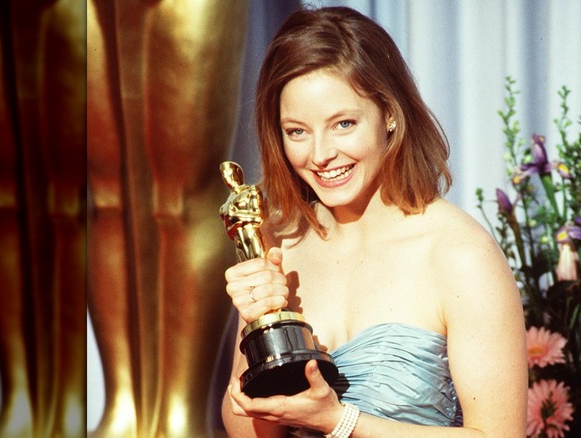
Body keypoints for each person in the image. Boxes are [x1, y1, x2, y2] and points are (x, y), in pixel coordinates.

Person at [221, 6, 527, 437]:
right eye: (297, 131)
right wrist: (258, 324)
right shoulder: (281, 242)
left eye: (343, 124)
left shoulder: (459, 254)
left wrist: (340, 421)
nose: (320, 154)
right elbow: (247, 426)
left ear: (390, 113)